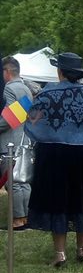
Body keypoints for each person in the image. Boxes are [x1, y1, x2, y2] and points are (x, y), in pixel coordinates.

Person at [25, 52, 83, 266]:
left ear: (59, 71)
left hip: (55, 154)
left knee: (57, 201)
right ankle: (82, 249)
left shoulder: (46, 94)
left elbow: (32, 123)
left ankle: (60, 254)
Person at [0, 56, 34, 229]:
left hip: (10, 142)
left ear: (6, 72)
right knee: (23, 181)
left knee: (13, 183)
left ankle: (18, 220)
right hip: (24, 140)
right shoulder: (26, 88)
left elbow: (9, 119)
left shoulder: (9, 88)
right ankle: (26, 217)